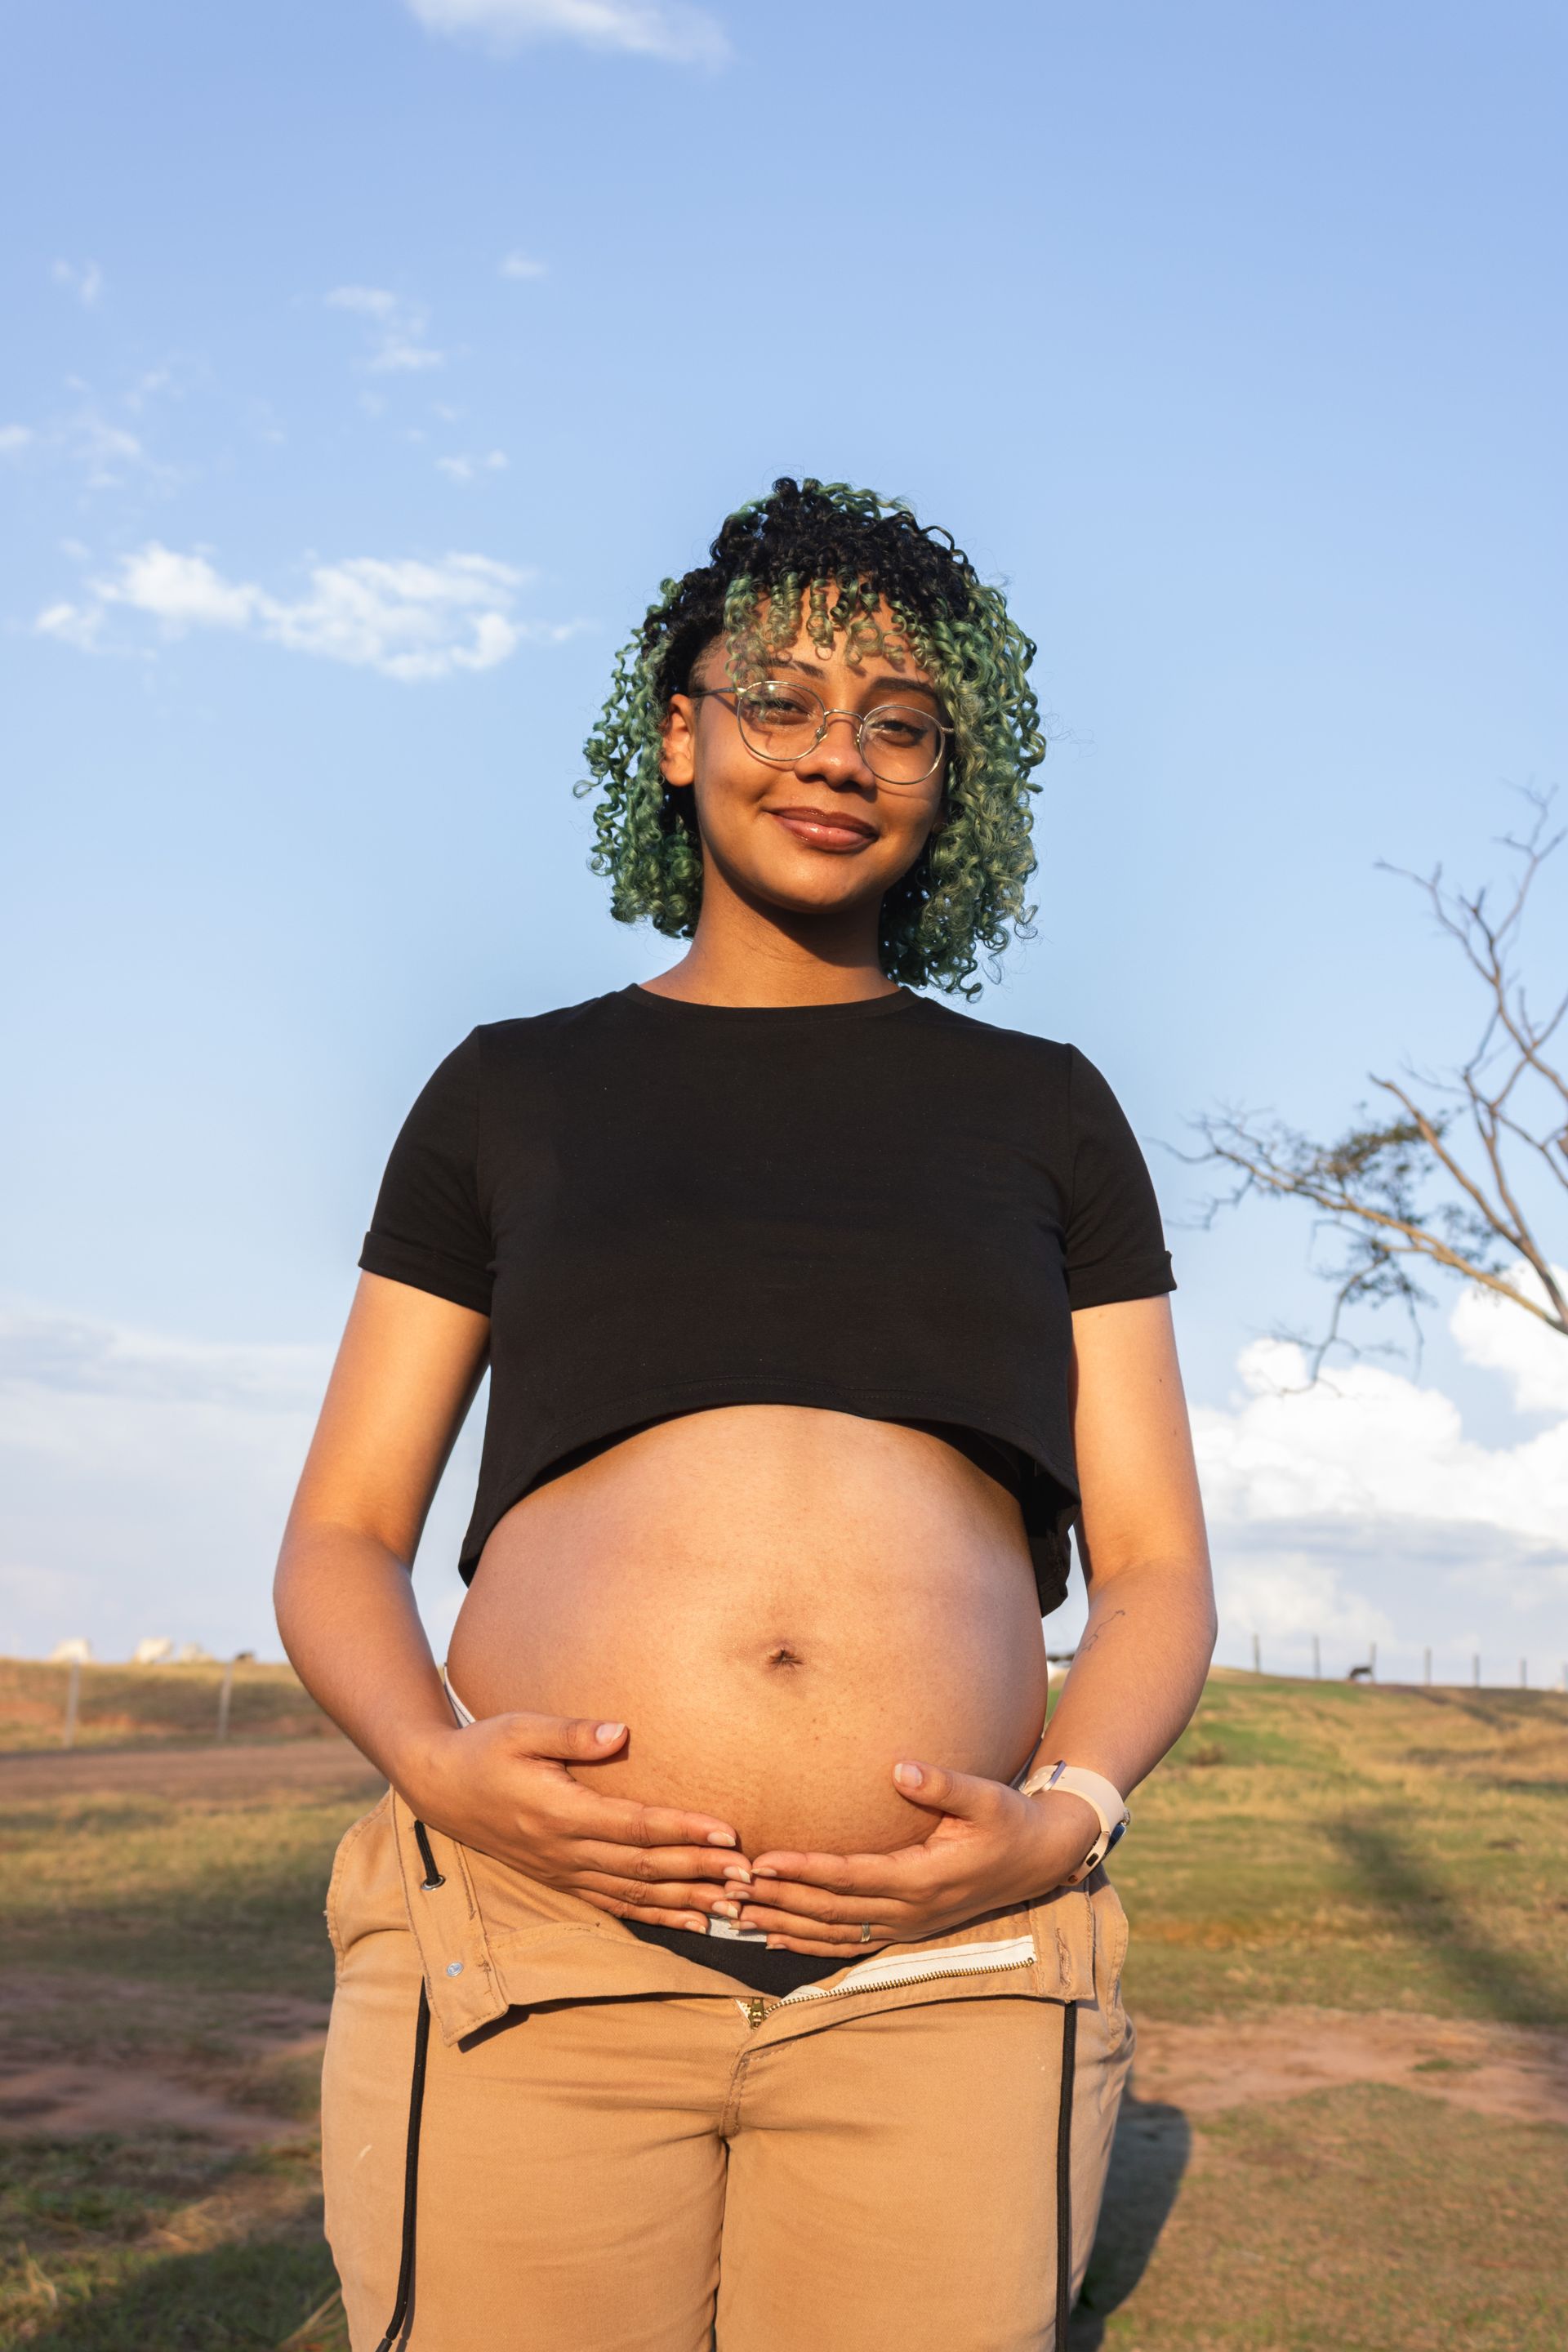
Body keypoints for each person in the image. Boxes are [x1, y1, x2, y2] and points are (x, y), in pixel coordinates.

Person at [276, 476, 1216, 2352]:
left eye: (898, 721)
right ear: (680, 727)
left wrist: (1070, 1818)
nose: (836, 754)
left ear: (956, 780)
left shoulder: (1046, 1111)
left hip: (946, 1971)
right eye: (780, 699)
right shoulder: (507, 1091)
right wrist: (435, 1768)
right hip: (535, 1944)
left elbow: (1162, 1567)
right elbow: (343, 1538)